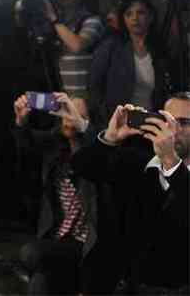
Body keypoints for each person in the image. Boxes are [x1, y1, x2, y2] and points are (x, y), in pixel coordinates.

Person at [72, 93, 190, 294]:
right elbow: (83, 167)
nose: (174, 130)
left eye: (184, 122)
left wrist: (171, 162)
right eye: (167, 120)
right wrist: (110, 138)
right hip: (124, 284)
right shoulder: (138, 160)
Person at [14, 92, 120, 294]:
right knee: (39, 280)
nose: (69, 120)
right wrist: (21, 119)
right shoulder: (55, 146)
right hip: (59, 241)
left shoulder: (98, 154)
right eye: (65, 113)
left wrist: (82, 125)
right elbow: (27, 143)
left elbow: (106, 145)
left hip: (88, 244)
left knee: (32, 254)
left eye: (76, 115)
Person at [90, 0, 172, 128]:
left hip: (152, 121)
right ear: (123, 19)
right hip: (118, 121)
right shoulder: (110, 47)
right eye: (129, 14)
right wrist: (105, 116)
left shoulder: (159, 49)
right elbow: (94, 86)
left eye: (141, 13)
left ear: (150, 17)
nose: (135, 18)